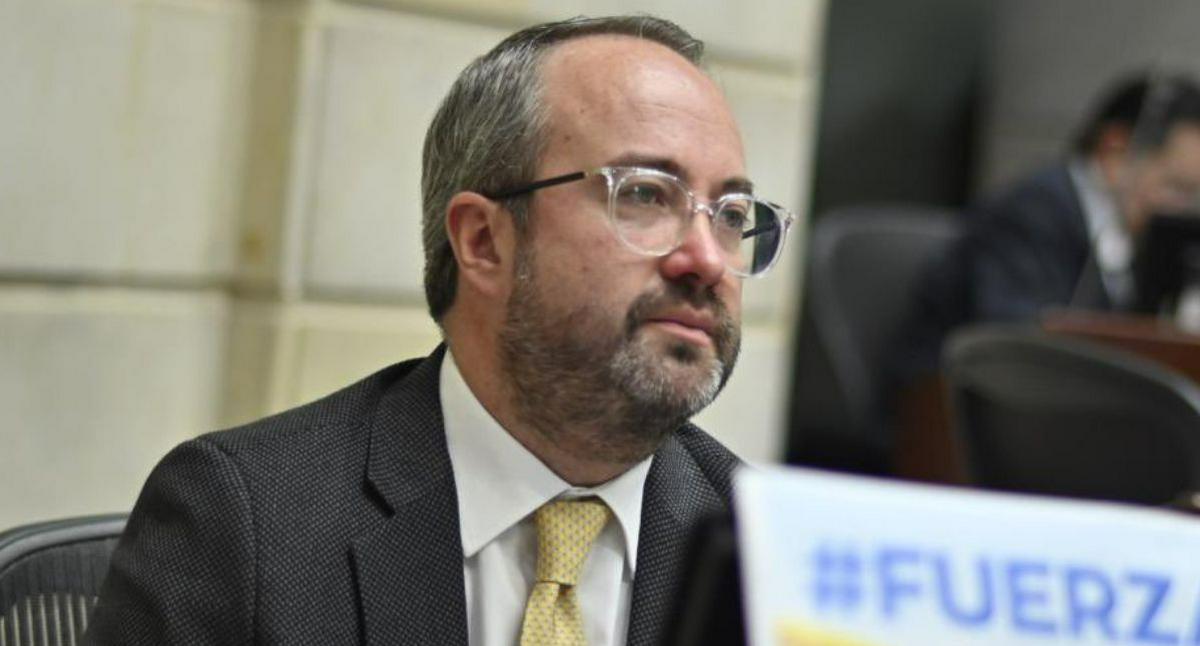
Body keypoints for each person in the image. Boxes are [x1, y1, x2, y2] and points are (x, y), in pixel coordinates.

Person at [85, 14, 796, 646]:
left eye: (731, 215)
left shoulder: (779, 551)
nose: (708, 260)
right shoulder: (247, 523)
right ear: (483, 241)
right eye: (645, 194)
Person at [887, 73, 1200, 389]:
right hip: (946, 401)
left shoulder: (1129, 237)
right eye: (1175, 188)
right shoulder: (1032, 212)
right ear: (1115, 151)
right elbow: (1015, 343)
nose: (1181, 210)